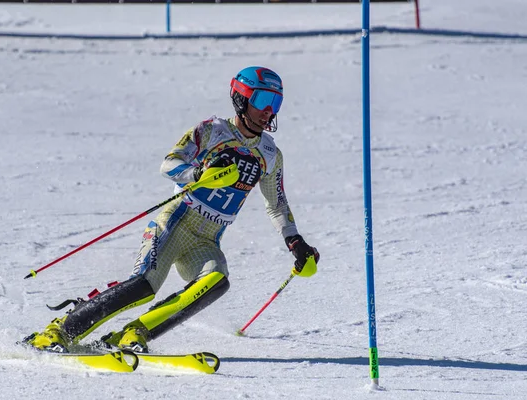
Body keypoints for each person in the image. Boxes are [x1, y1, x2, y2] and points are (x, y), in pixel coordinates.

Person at [23, 66, 320, 354]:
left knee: (216, 280)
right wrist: (198, 173)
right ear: (241, 99)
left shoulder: (269, 154)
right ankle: (58, 330)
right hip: (175, 222)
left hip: (206, 240)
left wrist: (295, 241)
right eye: (262, 100)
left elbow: (277, 204)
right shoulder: (213, 130)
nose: (269, 110)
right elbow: (169, 164)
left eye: (275, 102)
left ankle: (133, 332)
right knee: (143, 285)